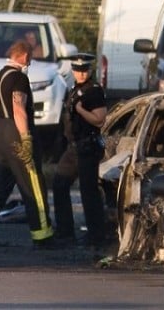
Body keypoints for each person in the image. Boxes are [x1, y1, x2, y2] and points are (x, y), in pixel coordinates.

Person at [0, 40, 55, 250]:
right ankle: (43, 235)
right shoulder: (19, 78)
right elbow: (18, 108)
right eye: (31, 58)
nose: (30, 62)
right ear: (25, 56)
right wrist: (25, 138)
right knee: (32, 183)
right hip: (14, 133)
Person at [52, 53, 109, 248]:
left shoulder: (93, 91)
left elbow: (100, 119)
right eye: (77, 70)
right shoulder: (74, 89)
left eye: (84, 70)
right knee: (59, 184)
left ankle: (96, 235)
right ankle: (65, 231)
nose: (81, 73)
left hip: (87, 146)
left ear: (90, 70)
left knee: (88, 192)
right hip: (73, 147)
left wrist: (81, 110)